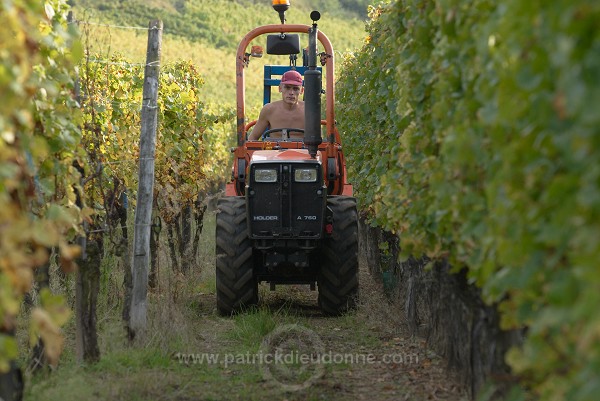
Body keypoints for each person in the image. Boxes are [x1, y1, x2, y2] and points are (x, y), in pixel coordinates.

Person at [247, 70, 305, 140]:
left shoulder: (309, 111)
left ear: (301, 91)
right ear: (280, 88)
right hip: (274, 150)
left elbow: (318, 142)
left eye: (295, 89)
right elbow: (252, 138)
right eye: (287, 87)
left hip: (302, 150)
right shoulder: (269, 110)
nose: (291, 92)